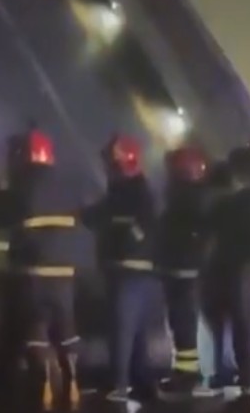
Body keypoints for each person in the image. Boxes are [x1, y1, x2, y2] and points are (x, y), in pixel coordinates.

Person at [2, 128, 87, 411]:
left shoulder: (19, 186)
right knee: (66, 326)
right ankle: (72, 378)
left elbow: (1, 221)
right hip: (64, 273)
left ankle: (44, 381)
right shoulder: (68, 186)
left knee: (36, 328)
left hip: (33, 273)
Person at [84, 135, 158, 403]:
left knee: (122, 329)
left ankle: (120, 384)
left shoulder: (130, 193)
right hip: (133, 270)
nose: (107, 169)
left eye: (110, 164)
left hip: (127, 269)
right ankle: (141, 384)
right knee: (135, 332)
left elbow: (111, 220)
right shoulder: (130, 191)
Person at [202, 148, 250, 406]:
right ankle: (245, 381)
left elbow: (208, 236)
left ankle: (223, 374)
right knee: (241, 325)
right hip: (240, 269)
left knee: (220, 325)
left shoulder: (226, 204)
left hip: (223, 269)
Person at [156, 146, 212, 401]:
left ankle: (187, 375)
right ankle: (185, 372)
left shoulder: (186, 199)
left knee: (183, 324)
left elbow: (180, 233)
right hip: (182, 270)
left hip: (183, 271)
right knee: (181, 325)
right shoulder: (193, 197)